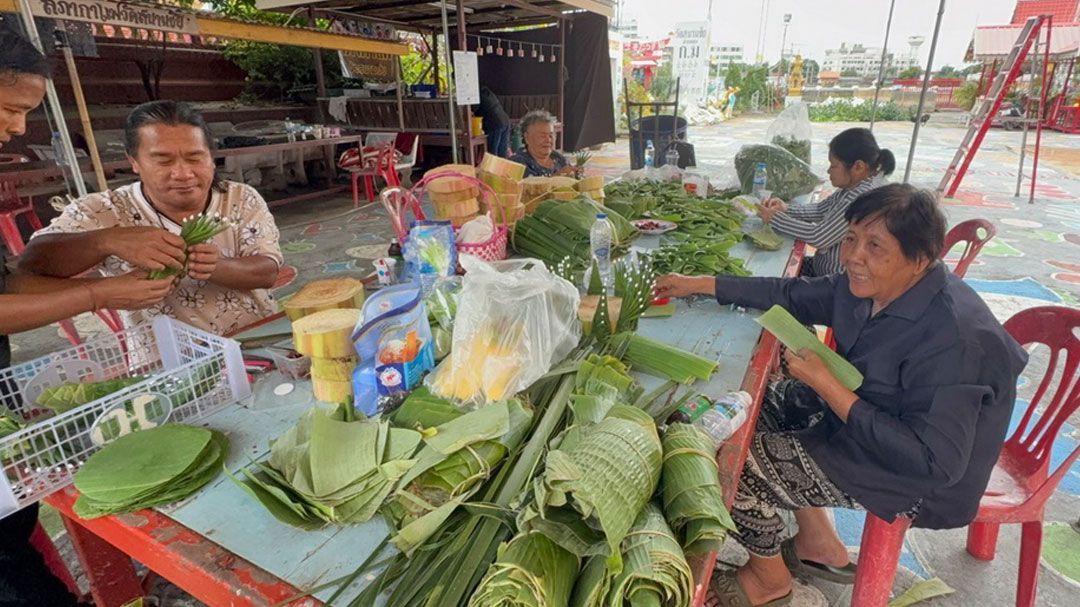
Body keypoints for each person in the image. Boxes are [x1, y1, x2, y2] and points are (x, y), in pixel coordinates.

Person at [654, 184, 1027, 607]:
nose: (853, 256)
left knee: (738, 466)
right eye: (851, 238)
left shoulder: (953, 339)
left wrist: (827, 386)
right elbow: (789, 294)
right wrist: (700, 283)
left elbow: (933, 463)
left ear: (920, 259)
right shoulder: (866, 285)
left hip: (913, 477)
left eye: (874, 245)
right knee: (745, 409)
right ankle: (819, 544)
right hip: (865, 414)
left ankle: (768, 580)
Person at [1, 28, 175, 607]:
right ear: (134, 160)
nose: (18, 128)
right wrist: (100, 296)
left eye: (25, 113)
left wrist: (107, 257)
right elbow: (28, 271)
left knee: (16, 544)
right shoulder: (100, 201)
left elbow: (14, 283)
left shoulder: (238, 202)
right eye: (8, 109)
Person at [20, 100, 284, 337]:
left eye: (195, 157)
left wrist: (217, 266)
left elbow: (267, 271)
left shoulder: (240, 197)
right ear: (134, 161)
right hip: (164, 360)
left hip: (254, 339)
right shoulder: (104, 210)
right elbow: (32, 263)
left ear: (211, 158)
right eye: (163, 161)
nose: (182, 173)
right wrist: (105, 242)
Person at [758, 128, 894, 277]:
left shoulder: (864, 196)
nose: (829, 171)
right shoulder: (855, 185)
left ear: (858, 166)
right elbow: (820, 210)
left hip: (836, 283)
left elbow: (820, 237)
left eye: (834, 165)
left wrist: (774, 218)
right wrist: (785, 208)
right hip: (822, 269)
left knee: (777, 283)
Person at [509, 110, 573, 178]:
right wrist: (555, 178)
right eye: (542, 136)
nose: (548, 140)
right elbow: (528, 187)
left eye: (551, 135)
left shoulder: (559, 158)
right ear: (527, 137)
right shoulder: (517, 162)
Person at [475, 86, 511, 158]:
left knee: (492, 153)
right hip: (505, 120)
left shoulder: (474, 96)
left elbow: (471, 113)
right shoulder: (485, 91)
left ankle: (494, 169)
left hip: (494, 124)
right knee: (502, 153)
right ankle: (502, 169)